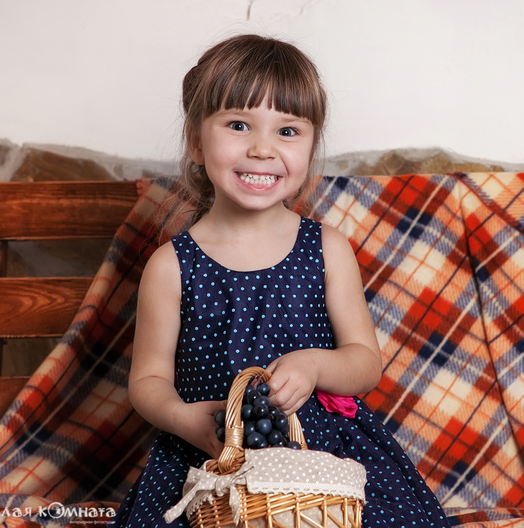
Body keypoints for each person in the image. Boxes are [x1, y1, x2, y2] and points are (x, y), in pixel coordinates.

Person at [109, 34, 452, 527]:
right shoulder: (171, 266)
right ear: (196, 141)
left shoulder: (326, 248)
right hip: (212, 455)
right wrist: (186, 420)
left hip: (320, 455)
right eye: (238, 125)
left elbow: (365, 363)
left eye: (288, 131)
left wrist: (314, 365)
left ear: (311, 145)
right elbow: (148, 381)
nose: (262, 149)